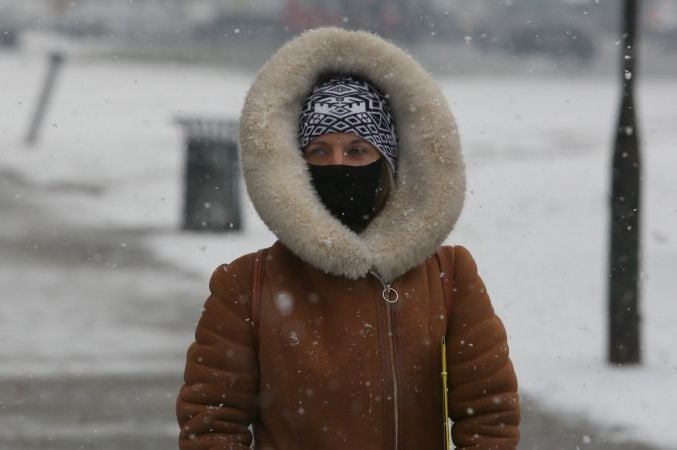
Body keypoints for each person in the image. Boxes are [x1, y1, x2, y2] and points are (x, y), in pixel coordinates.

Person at [176, 27, 520, 450]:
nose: (337, 165)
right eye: (319, 151)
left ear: (387, 162)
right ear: (295, 166)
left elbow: (490, 414)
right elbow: (210, 424)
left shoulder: (448, 277)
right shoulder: (246, 285)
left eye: (358, 151)